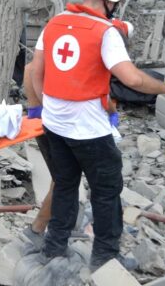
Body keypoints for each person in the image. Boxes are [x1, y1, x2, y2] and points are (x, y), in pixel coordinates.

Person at [30, 0, 165, 270]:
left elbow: (37, 72)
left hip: (55, 124)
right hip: (87, 130)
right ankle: (105, 257)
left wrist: (49, 106)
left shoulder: (55, 23)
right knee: (106, 190)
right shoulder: (105, 33)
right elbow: (132, 80)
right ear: (112, 1)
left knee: (64, 184)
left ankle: (53, 248)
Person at [23, 18, 133, 243]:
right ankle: (38, 231)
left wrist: (36, 105)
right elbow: (100, 95)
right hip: (66, 127)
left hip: (47, 121)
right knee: (66, 181)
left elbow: (30, 70)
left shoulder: (63, 47)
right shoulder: (92, 55)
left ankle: (51, 229)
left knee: (63, 179)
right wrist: (111, 112)